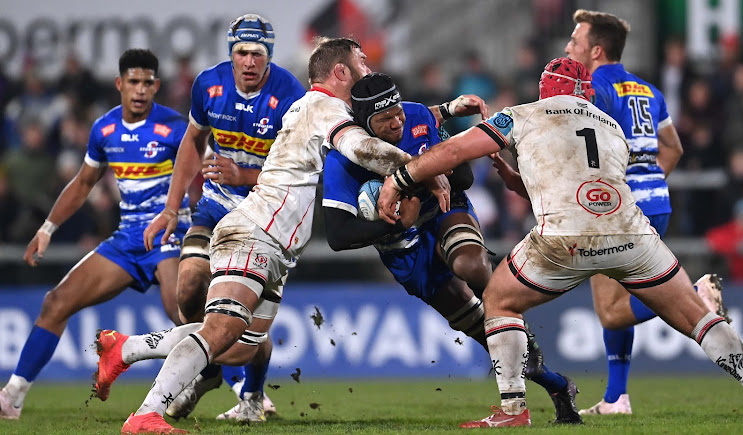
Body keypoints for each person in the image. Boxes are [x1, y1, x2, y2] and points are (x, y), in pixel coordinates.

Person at [97, 36, 486, 434]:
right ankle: (146, 415)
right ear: (341, 72)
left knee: (240, 347)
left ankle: (125, 348)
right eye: (362, 63)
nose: (368, 70)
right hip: (256, 230)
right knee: (222, 330)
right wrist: (418, 168)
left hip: (277, 246)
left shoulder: (319, 108)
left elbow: (386, 119)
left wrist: (447, 110)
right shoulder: (326, 108)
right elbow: (365, 147)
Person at [377, 57, 743, 428]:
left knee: (498, 300)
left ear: (544, 90)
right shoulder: (612, 128)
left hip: (565, 240)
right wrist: (518, 182)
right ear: (585, 92)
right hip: (631, 233)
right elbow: (587, 188)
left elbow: (456, 150)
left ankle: (513, 411)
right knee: (699, 317)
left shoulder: (523, 114)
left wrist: (401, 178)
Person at [322, 72, 581, 424]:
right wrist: (394, 223)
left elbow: (463, 178)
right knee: (484, 333)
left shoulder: (417, 115)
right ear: (365, 124)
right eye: (385, 120)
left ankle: (509, 314)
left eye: (398, 111)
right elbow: (337, 235)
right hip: (403, 248)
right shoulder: (342, 160)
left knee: (470, 265)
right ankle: (558, 385)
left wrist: (420, 178)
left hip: (445, 211)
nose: (397, 122)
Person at [124, 14, 306, 423]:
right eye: (241, 52)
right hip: (215, 206)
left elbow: (301, 173)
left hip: (265, 216)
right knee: (187, 293)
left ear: (269, 57)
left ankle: (253, 397)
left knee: (244, 329)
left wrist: (243, 175)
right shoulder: (209, 84)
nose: (249, 61)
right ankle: (206, 372)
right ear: (231, 53)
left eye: (257, 53)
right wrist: (172, 208)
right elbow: (193, 140)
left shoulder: (291, 96)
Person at [0, 49, 190, 420]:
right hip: (127, 239)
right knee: (56, 302)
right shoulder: (104, 128)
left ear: (157, 86)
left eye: (147, 82)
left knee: (183, 313)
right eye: (132, 81)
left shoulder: (177, 128)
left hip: (169, 234)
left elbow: (197, 178)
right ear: (119, 84)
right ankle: (12, 396)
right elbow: (84, 181)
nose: (139, 89)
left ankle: (244, 392)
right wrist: (46, 229)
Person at [564, 9, 728, 415]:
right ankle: (617, 397)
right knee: (624, 300)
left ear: (596, 51)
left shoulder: (594, 89)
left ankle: (693, 298)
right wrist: (649, 181)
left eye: (575, 41)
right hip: (655, 205)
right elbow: (673, 147)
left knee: (611, 310)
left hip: (615, 210)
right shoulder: (649, 90)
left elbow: (587, 153)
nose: (568, 46)